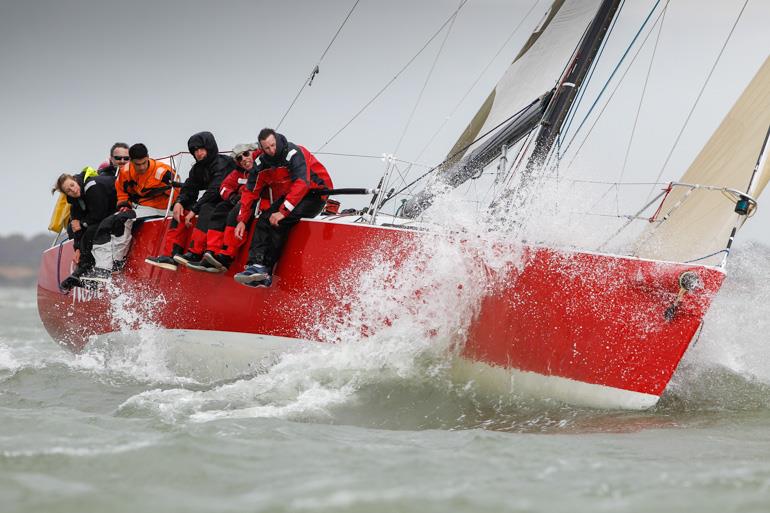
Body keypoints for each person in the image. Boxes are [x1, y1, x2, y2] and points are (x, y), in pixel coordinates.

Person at [234, 129, 333, 287]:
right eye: (267, 148)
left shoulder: (293, 152)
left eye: (273, 145)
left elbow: (302, 182)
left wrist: (282, 212)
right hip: (292, 193)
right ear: (261, 148)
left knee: (279, 222)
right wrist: (242, 221)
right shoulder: (261, 162)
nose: (271, 150)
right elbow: (250, 192)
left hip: (315, 193)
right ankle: (255, 267)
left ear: (277, 141)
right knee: (264, 219)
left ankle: (267, 273)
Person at [145, 131, 235, 271]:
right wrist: (180, 202)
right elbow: (189, 187)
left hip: (227, 201)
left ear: (209, 147)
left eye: (201, 149)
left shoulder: (224, 163)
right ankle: (171, 255)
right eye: (195, 151)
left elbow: (215, 190)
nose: (198, 153)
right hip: (209, 202)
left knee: (206, 207)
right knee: (181, 207)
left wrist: (194, 210)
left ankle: (196, 252)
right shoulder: (197, 169)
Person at [87, 144, 179, 279]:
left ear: (148, 158)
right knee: (112, 222)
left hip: (167, 209)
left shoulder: (163, 171)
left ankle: (117, 262)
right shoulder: (125, 172)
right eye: (137, 164)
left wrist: (179, 205)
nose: (141, 167)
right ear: (131, 162)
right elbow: (122, 191)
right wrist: (125, 205)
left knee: (122, 219)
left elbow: (181, 192)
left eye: (143, 163)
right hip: (145, 208)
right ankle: (110, 265)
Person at [188, 142, 263, 273]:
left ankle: (227, 255)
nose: (244, 159)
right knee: (221, 208)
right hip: (241, 200)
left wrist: (242, 198)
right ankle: (212, 252)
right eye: (239, 158)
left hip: (255, 202)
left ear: (253, 152)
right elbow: (224, 187)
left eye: (246, 154)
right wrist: (232, 196)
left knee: (235, 212)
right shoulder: (238, 172)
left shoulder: (262, 164)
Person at [53, 172, 117, 289]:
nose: (73, 190)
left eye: (72, 185)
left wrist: (82, 224)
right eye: (68, 190)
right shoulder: (74, 202)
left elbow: (99, 214)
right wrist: (77, 248)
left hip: (122, 206)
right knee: (74, 230)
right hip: (106, 214)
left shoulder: (92, 186)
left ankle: (83, 271)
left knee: (92, 231)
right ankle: (83, 274)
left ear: (75, 180)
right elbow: (75, 227)